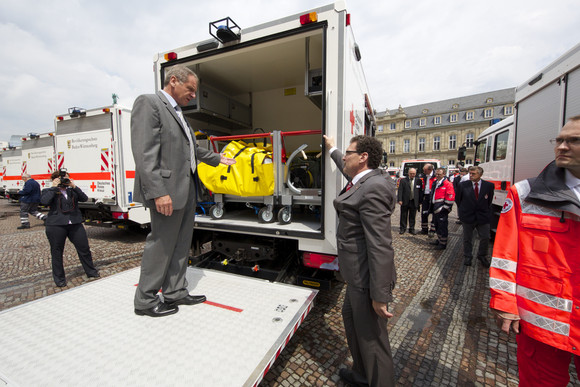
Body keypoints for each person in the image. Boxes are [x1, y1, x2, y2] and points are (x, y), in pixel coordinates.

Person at [131, 65, 236, 318]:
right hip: (166, 191)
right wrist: (158, 192)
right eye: (190, 89)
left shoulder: (178, 113)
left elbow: (189, 149)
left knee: (180, 244)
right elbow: (145, 154)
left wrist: (215, 158)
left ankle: (175, 291)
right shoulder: (150, 103)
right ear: (174, 81)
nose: (193, 96)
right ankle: (145, 300)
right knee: (161, 245)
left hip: (186, 189)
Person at [490, 115, 580, 386]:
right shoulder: (526, 193)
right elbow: (505, 254)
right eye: (559, 140)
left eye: (573, 140)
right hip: (543, 322)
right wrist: (505, 304)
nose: (562, 147)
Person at [324, 134, 396, 387]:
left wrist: (380, 294)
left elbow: (380, 245)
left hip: (366, 278)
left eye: (348, 153)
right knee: (350, 319)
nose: (344, 156)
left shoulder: (373, 187)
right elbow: (353, 183)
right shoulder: (367, 180)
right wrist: (332, 148)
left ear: (363, 158)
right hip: (356, 276)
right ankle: (363, 375)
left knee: (372, 339)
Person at [41, 170, 99, 287]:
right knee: (57, 251)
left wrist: (74, 186)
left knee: (84, 248)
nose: (65, 180)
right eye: (62, 178)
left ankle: (91, 271)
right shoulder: (48, 190)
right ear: (55, 179)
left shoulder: (72, 191)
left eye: (67, 178)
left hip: (75, 223)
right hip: (56, 225)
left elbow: (84, 198)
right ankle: (59, 279)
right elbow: (44, 201)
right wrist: (54, 187)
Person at [455, 166, 494, 267]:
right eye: (470, 173)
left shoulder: (488, 186)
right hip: (468, 216)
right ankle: (468, 256)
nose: (471, 175)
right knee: (467, 238)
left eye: (473, 174)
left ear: (480, 174)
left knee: (485, 237)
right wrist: (464, 211)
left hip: (483, 216)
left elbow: (489, 201)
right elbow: (458, 200)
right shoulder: (463, 185)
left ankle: (482, 255)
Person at [428, 168, 455, 250]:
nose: (437, 175)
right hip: (435, 208)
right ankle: (439, 240)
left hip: (442, 209)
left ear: (444, 174)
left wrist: (444, 208)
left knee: (442, 227)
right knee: (437, 225)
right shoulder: (435, 183)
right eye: (436, 174)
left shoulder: (447, 184)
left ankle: (443, 243)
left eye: (439, 174)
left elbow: (450, 197)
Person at [397, 167, 422, 234]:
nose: (412, 175)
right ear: (408, 173)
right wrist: (399, 199)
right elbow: (400, 191)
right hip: (405, 200)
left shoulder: (418, 181)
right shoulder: (403, 181)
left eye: (413, 173)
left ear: (415, 173)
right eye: (411, 173)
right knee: (403, 215)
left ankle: (412, 228)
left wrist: (420, 201)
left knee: (412, 216)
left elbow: (420, 192)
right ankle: (403, 228)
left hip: (414, 201)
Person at [419, 163, 436, 235]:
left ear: (430, 170)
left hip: (433, 196)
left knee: (434, 214)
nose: (423, 171)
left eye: (425, 170)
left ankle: (432, 230)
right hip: (425, 196)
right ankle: (424, 229)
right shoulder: (424, 176)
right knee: (424, 213)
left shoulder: (435, 176)